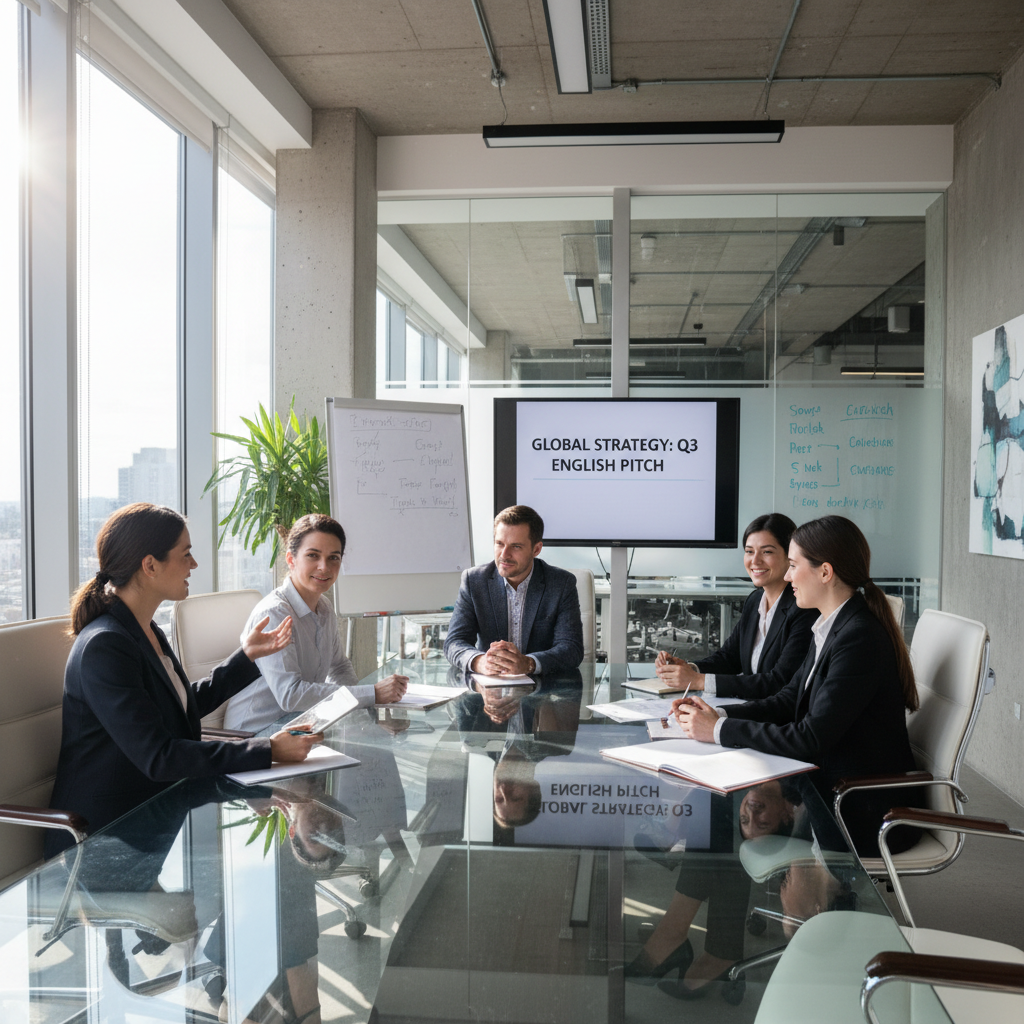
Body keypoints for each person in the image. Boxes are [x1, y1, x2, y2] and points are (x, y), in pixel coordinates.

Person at [45, 503, 321, 859]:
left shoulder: (144, 630)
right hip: (104, 838)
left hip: (154, 817)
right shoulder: (105, 646)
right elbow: (159, 757)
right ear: (150, 565)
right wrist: (268, 750)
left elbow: (178, 708)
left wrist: (247, 657)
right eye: (186, 554)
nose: (194, 565)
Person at [674, 514, 919, 858]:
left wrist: (719, 730)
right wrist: (719, 716)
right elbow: (788, 699)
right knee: (719, 806)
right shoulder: (832, 626)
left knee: (720, 813)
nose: (788, 576)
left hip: (860, 811)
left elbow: (810, 737)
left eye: (792, 565)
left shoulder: (858, 638)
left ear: (825, 572)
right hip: (827, 786)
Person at [224, 514, 407, 731]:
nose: (324, 567)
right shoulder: (275, 613)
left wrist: (368, 713)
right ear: (291, 559)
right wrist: (371, 694)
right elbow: (290, 696)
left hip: (303, 723)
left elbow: (339, 667)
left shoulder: (324, 607)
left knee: (377, 737)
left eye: (333, 558)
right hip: (255, 733)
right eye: (313, 555)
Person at [654, 513, 817, 699]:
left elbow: (779, 682)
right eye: (749, 551)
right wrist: (690, 668)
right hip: (749, 708)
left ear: (790, 556)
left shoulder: (803, 608)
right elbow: (730, 658)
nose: (755, 561)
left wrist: (699, 680)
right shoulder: (755, 600)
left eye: (767, 552)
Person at [443, 505, 584, 675]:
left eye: (516, 546)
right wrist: (479, 662)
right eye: (499, 544)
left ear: (536, 549)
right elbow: (454, 642)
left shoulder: (561, 584)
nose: (504, 554)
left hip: (541, 686)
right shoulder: (474, 581)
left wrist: (529, 663)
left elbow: (571, 649)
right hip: (490, 684)